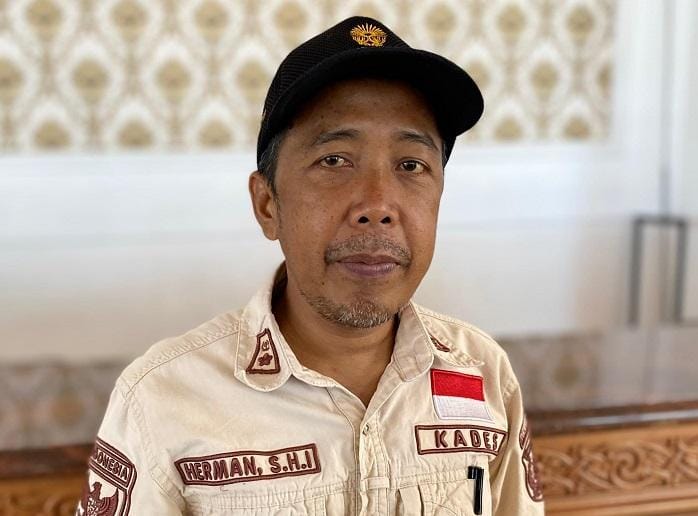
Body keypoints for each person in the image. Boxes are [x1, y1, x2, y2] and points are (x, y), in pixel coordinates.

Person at [77, 16, 544, 516]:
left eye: (411, 165)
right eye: (334, 160)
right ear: (267, 205)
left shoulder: (482, 371)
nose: (377, 205)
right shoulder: (162, 398)